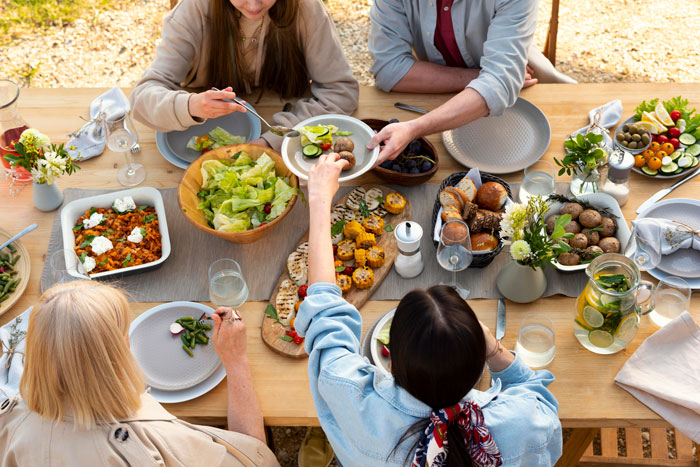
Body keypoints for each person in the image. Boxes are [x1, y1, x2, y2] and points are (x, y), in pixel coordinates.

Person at [295, 153, 563, 466]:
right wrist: (495, 350)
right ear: (480, 370)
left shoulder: (348, 393)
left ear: (391, 363)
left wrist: (318, 200)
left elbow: (324, 306)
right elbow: (537, 394)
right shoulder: (525, 423)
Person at [0, 281, 279, 466]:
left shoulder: (12, 424)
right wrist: (236, 360)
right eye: (123, 334)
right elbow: (256, 459)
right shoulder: (148, 440)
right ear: (118, 349)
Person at [130, 0, 359, 150]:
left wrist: (274, 140)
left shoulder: (308, 9)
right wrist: (190, 105)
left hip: (281, 119)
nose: (253, 4)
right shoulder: (193, 9)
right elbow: (141, 99)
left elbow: (341, 92)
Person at [367, 0, 575, 162]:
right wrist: (483, 77)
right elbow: (388, 69)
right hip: (444, 90)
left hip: (524, 89)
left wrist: (414, 128)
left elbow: (498, 86)